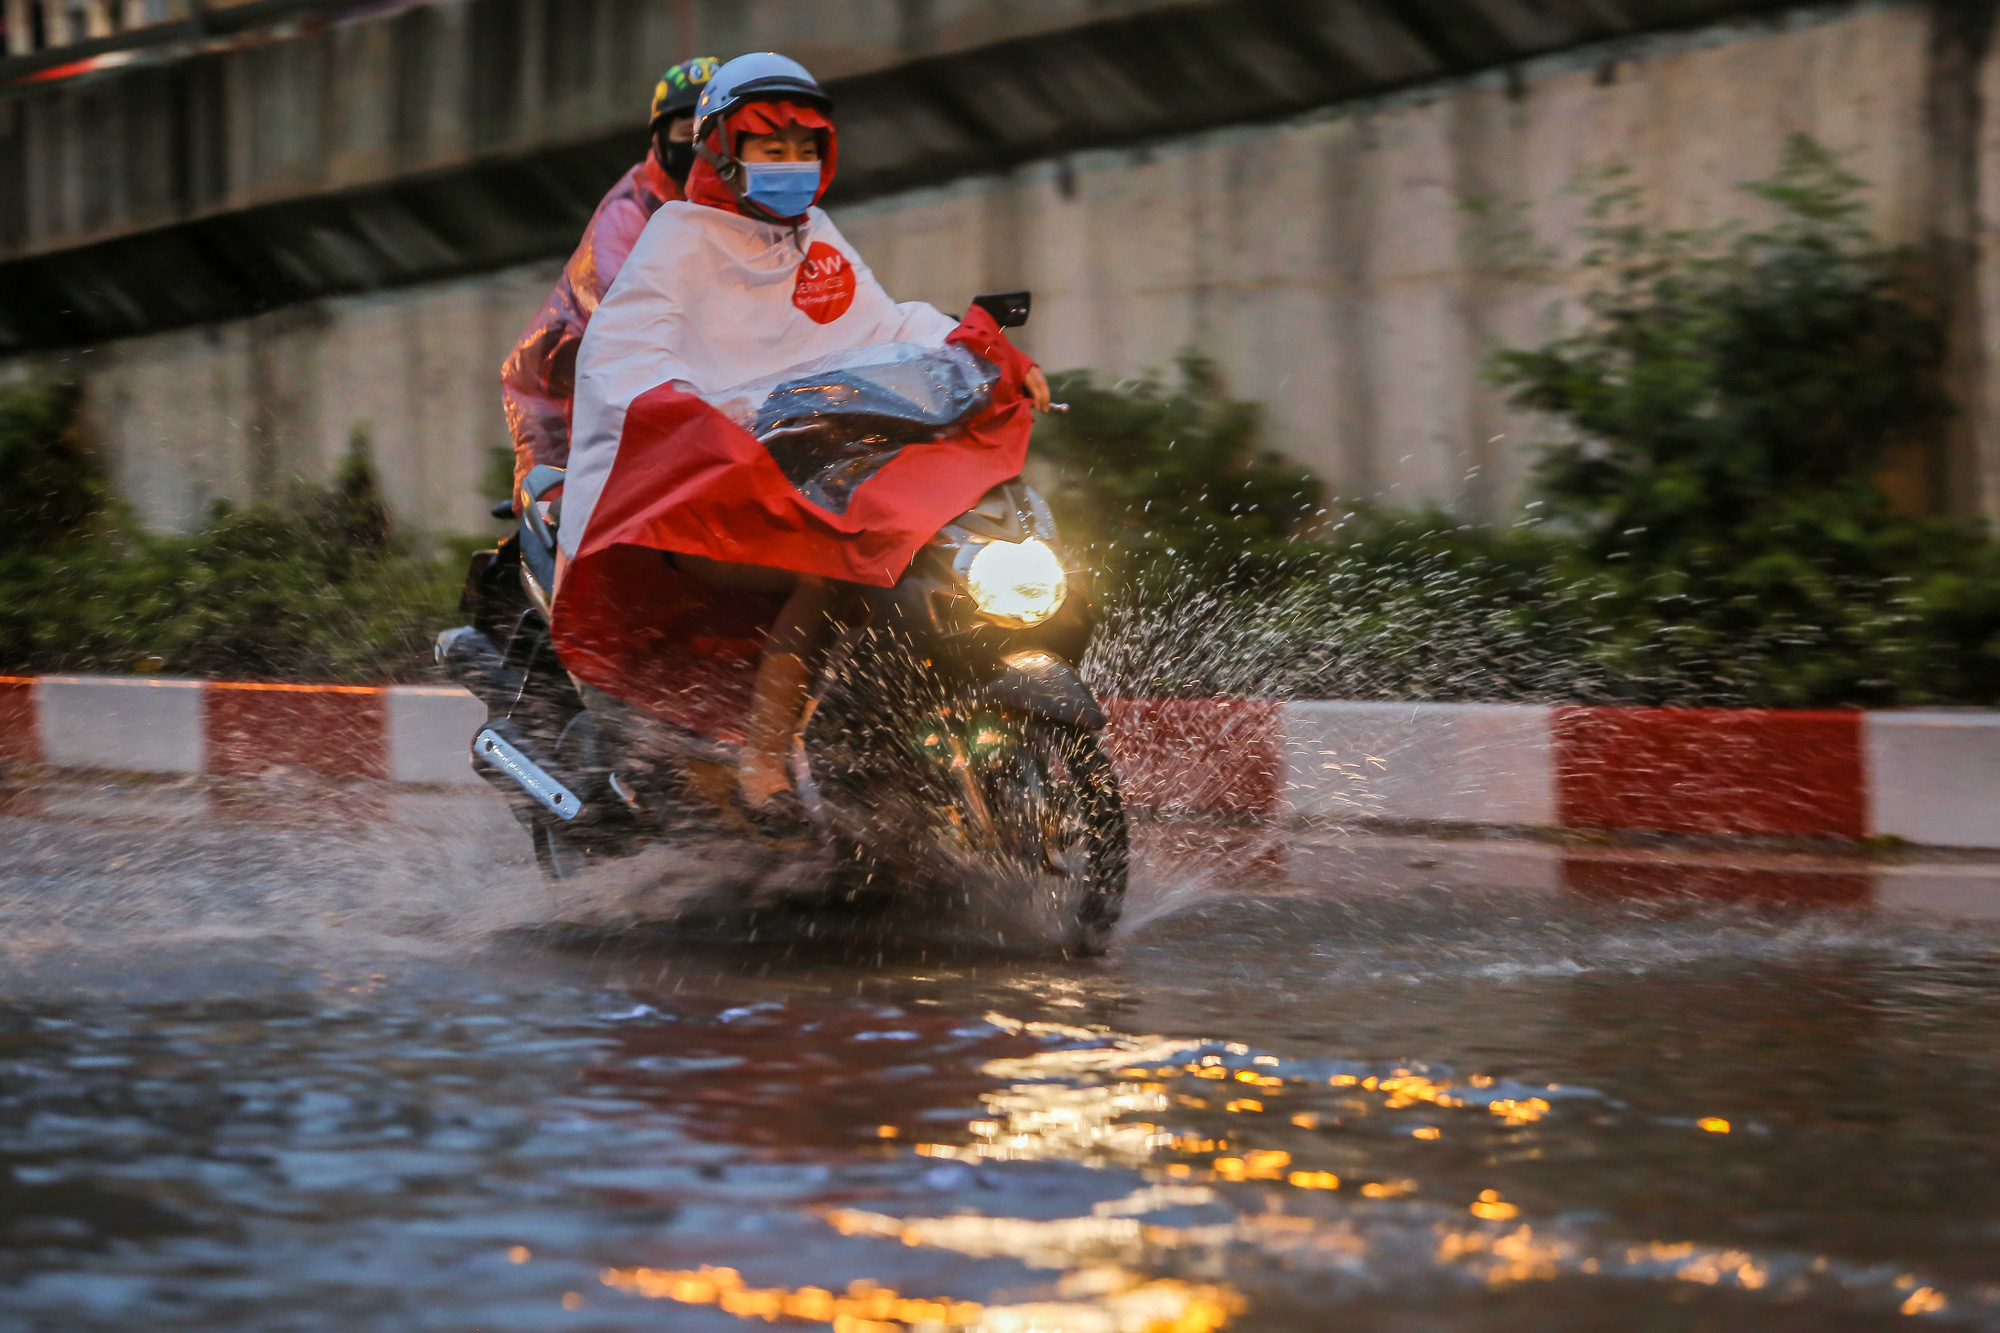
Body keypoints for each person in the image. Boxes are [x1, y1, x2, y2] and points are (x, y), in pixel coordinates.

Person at [562, 53, 1050, 828]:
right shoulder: (678, 239)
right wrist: (695, 416)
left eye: (803, 149)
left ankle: (878, 747)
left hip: (802, 470)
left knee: (910, 536)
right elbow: (622, 358)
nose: (789, 166)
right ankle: (764, 762)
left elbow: (886, 327)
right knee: (836, 566)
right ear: (724, 150)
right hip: (702, 495)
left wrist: (987, 357)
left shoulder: (813, 237)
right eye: (768, 148)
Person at [498, 55, 721, 494]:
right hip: (563, 401)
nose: (701, 142)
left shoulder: (733, 209)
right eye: (686, 128)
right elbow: (629, 321)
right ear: (660, 137)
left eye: (714, 129)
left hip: (649, 399)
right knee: (580, 528)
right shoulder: (629, 214)